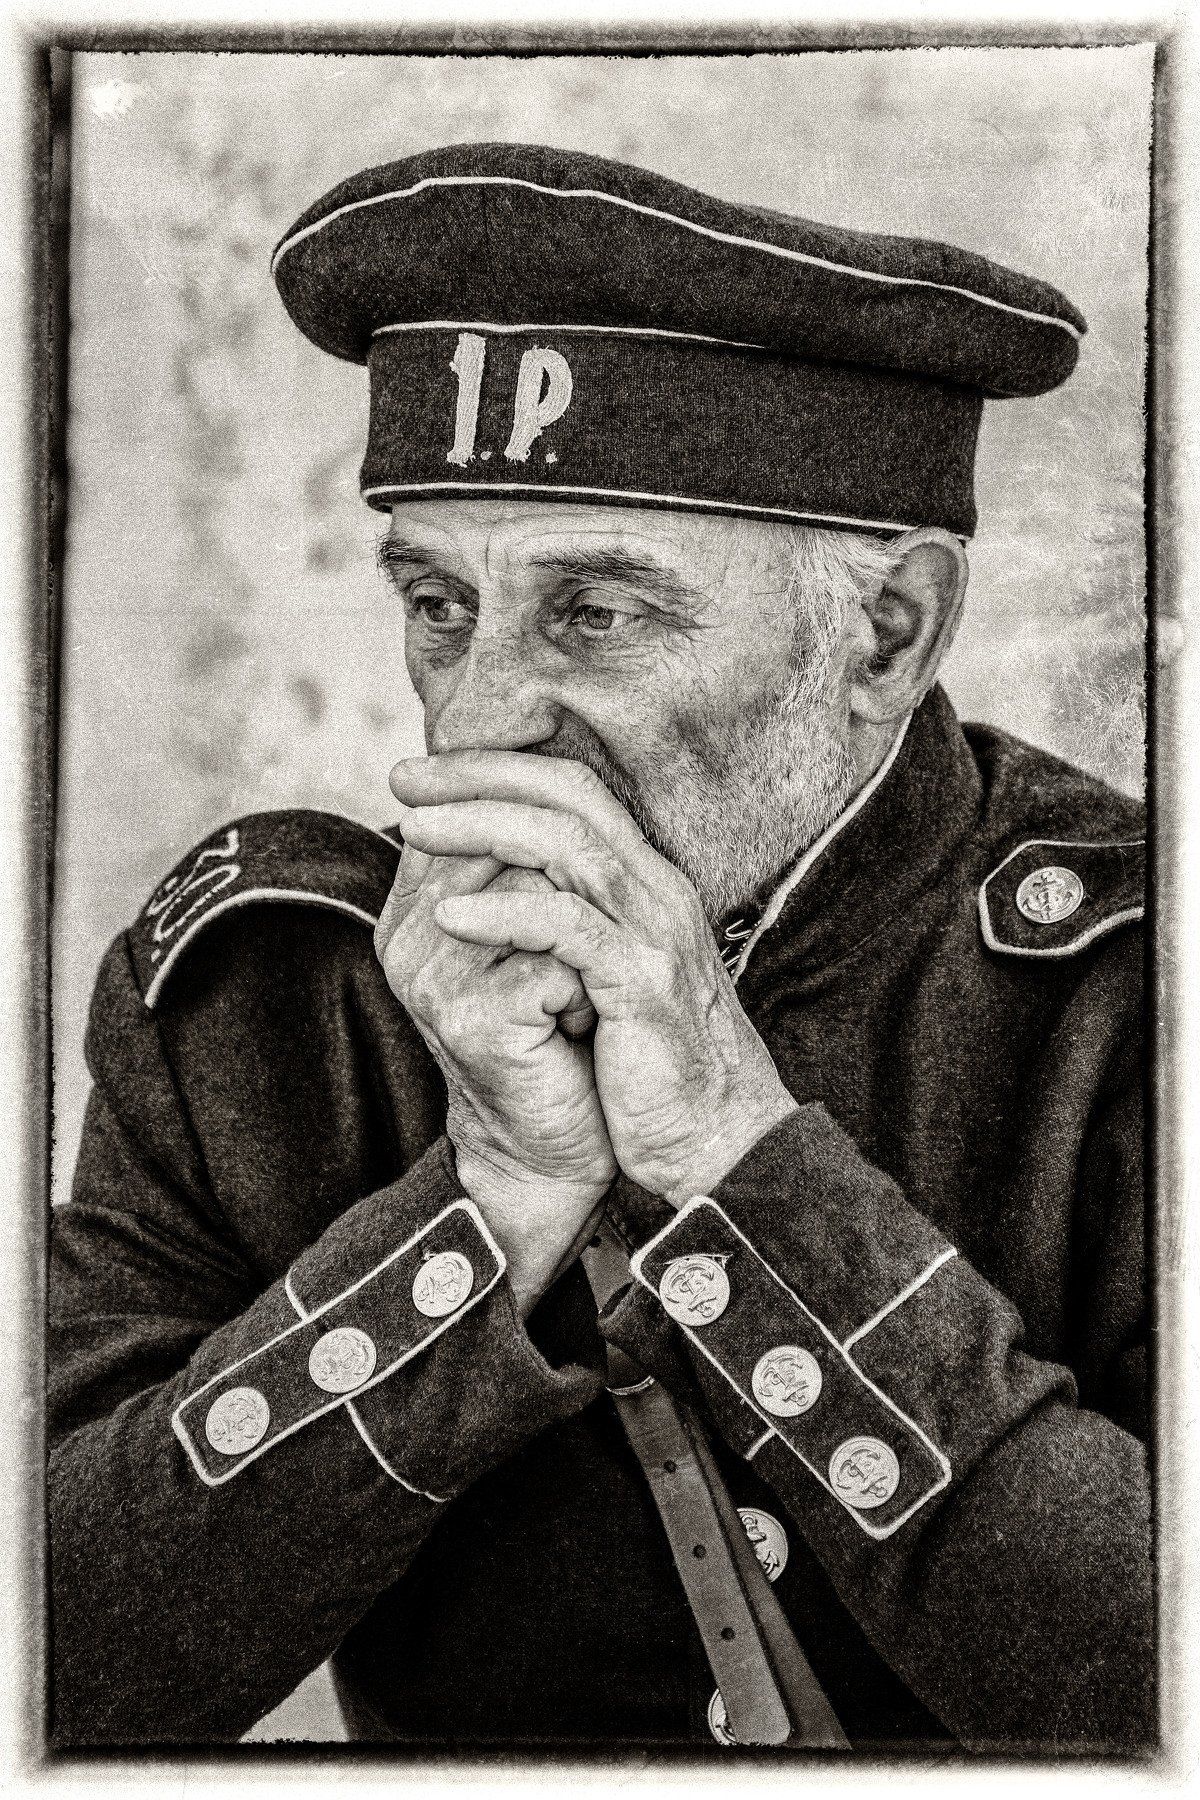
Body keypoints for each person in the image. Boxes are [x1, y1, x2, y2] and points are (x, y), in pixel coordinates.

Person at [48, 142, 1150, 1752]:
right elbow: (47, 1675)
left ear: (889, 631)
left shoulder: (1135, 988)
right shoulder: (264, 1001)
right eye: (440, 605)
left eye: (599, 614)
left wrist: (740, 1163)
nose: (476, 720)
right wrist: (490, 1200)